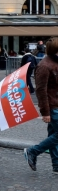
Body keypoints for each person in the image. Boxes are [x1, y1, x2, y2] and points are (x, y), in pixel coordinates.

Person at [24, 37, 58, 174]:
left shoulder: (54, 63)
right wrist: (45, 112)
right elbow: (40, 90)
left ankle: (56, 165)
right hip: (52, 106)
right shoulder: (44, 66)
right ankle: (33, 151)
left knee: (54, 135)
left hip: (56, 104)